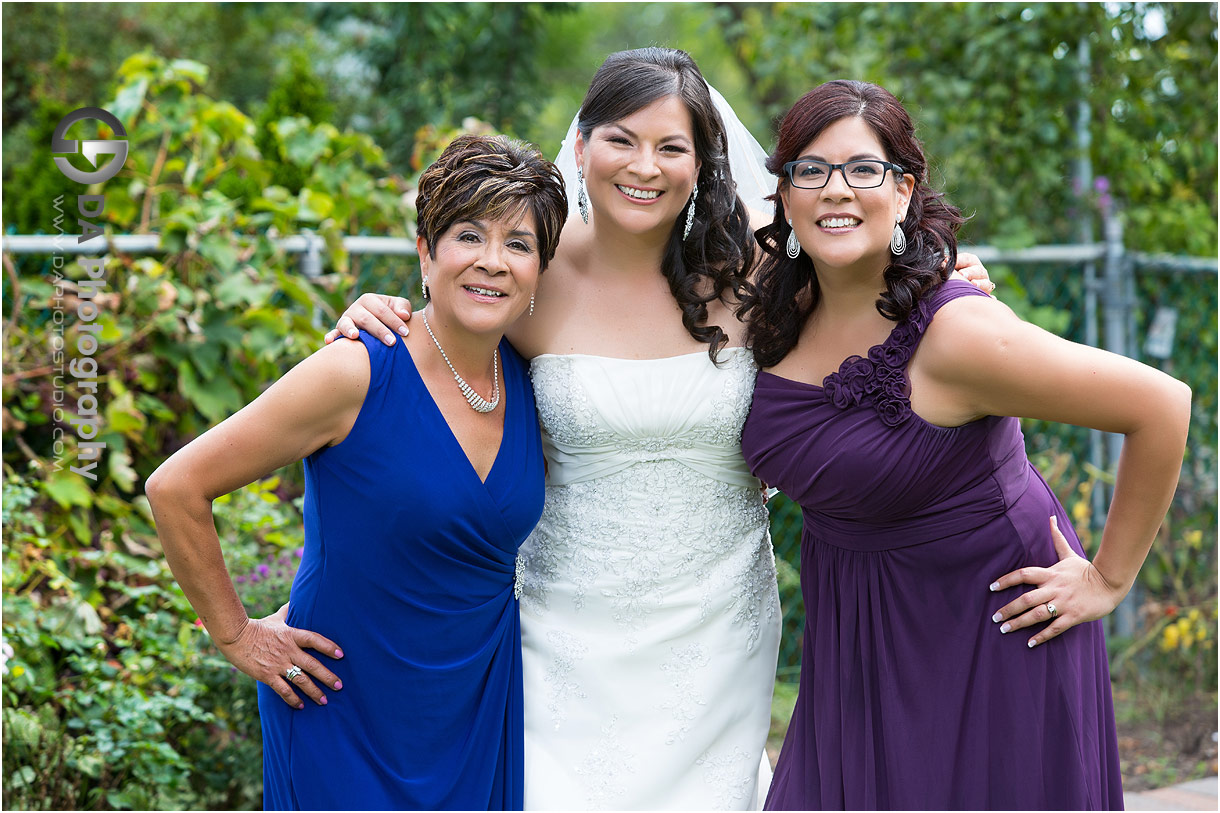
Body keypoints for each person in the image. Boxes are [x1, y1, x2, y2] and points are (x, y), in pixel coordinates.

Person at [329, 48, 996, 810]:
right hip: (564, 634)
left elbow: (873, 277)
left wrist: (952, 281)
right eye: (622, 139)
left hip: (717, 631)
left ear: (703, 162)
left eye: (671, 146)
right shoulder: (531, 274)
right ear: (581, 148)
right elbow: (435, 366)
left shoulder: (767, 267)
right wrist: (372, 316)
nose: (644, 166)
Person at [739, 79, 1191, 810]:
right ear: (784, 197)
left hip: (990, 630)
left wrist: (1109, 579)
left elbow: (1162, 407)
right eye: (810, 170)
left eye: (863, 169)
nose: (834, 190)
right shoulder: (768, 308)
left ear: (904, 190)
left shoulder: (958, 333)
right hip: (857, 637)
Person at [146, 134, 567, 810]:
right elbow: (176, 487)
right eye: (469, 235)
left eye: (518, 244)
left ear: (541, 270)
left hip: (477, 709)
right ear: (426, 253)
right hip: (341, 710)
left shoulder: (529, 379)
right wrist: (237, 635)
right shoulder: (358, 368)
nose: (493, 261)